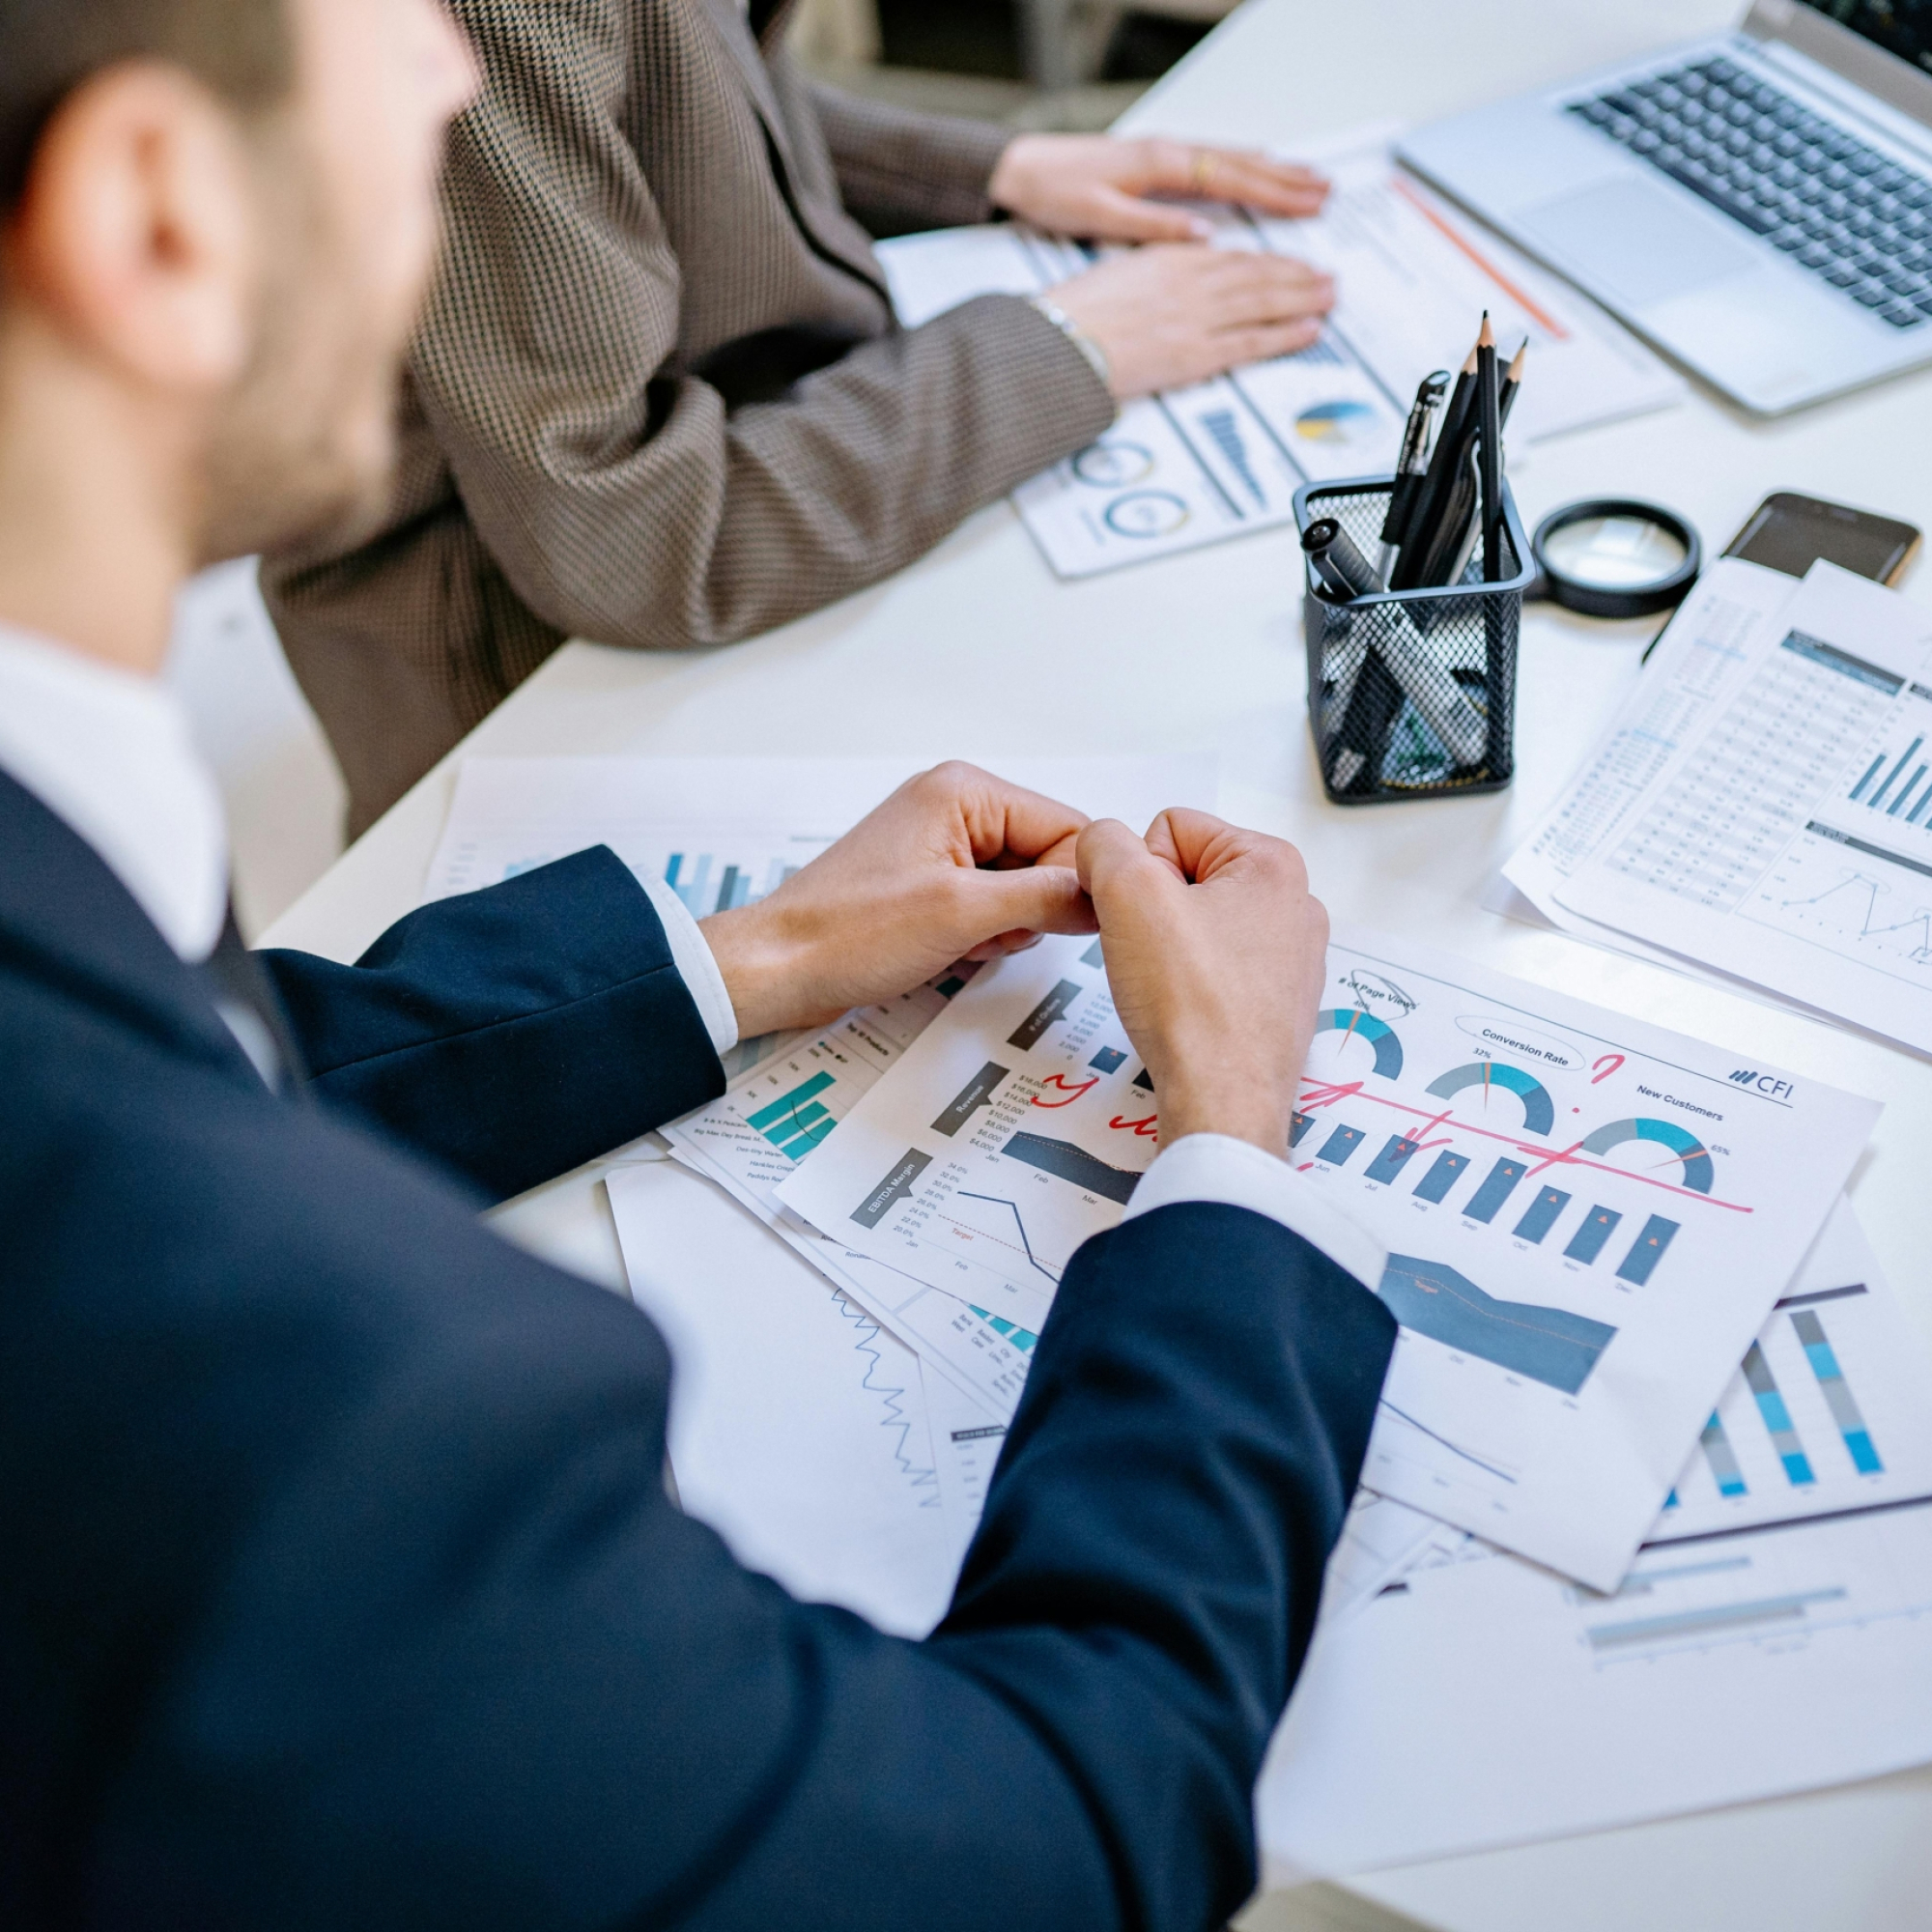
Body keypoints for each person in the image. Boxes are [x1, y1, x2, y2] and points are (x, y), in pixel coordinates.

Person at [0, 0, 1395, 1924]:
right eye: (394, 21)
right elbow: (1053, 1843)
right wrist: (1233, 1160)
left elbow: (199, 1061)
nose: (460, 75)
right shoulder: (330, 1438)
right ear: (153, 210)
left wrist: (755, 954)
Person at [260, 0, 1342, 834]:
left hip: (733, 525)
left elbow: (664, 77)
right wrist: (1061, 346)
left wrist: (985, 169)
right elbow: (632, 545)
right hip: (523, 707)